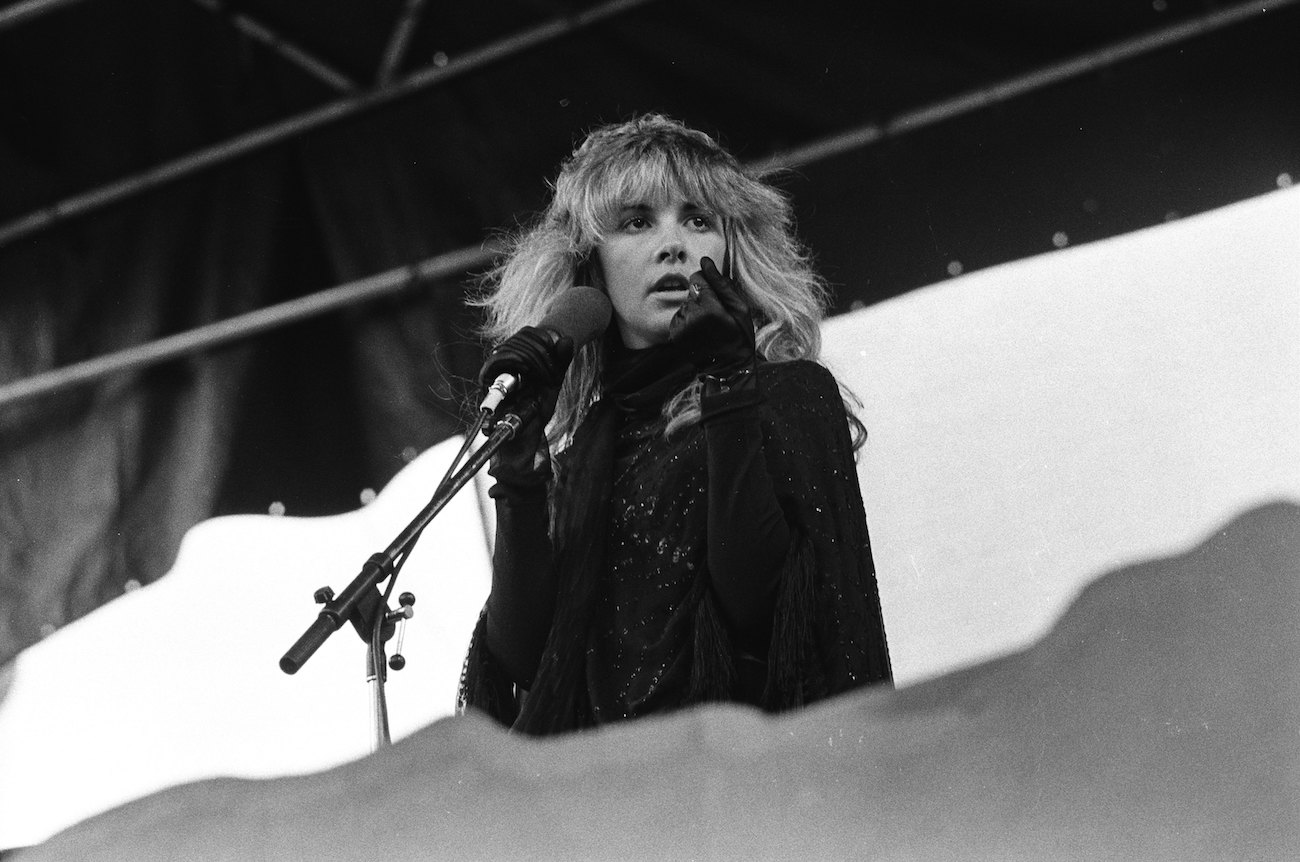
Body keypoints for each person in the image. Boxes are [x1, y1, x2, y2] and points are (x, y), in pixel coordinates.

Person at [458, 114, 891, 736]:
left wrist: (727, 388)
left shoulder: (788, 395)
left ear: (731, 252)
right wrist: (521, 481)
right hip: (613, 803)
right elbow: (528, 661)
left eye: (699, 220)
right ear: (590, 264)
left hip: (747, 790)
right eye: (637, 222)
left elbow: (769, 619)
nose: (674, 245)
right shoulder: (587, 448)